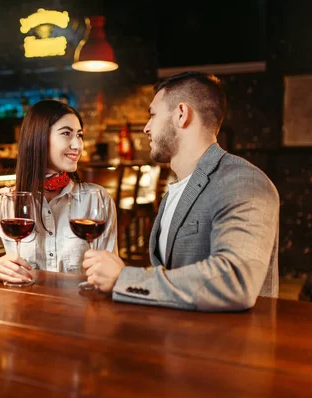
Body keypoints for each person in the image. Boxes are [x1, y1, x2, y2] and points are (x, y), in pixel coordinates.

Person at [82, 72, 279, 311]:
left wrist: (124, 278)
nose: (146, 127)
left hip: (226, 345)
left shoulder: (242, 181)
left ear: (182, 115)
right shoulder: (178, 186)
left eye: (152, 115)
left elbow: (235, 280)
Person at [0, 100, 118, 285]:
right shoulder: (4, 201)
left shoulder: (97, 199)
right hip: (24, 308)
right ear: (38, 139)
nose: (77, 145)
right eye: (66, 134)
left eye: (79, 135)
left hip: (81, 310)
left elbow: (109, 276)